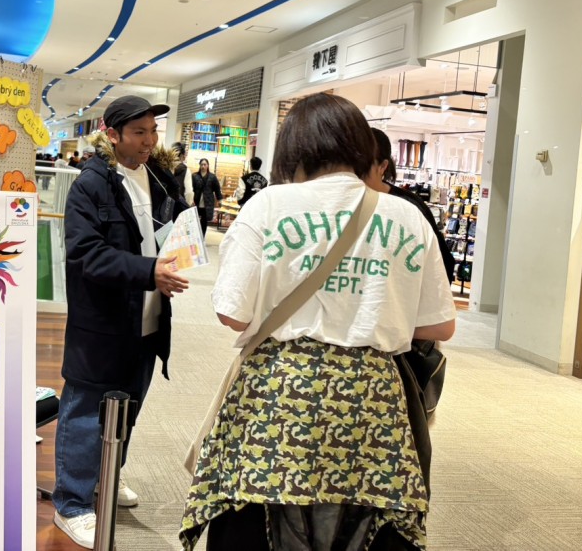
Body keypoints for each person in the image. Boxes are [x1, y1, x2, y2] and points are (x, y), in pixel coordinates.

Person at [180, 93, 455, 551]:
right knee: (368, 515)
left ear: (294, 149)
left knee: (260, 507)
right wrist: (370, 311)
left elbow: (233, 312)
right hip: (372, 398)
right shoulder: (405, 214)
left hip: (280, 390)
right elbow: (439, 326)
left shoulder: (269, 205)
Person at [54, 95, 190, 548]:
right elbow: (85, 254)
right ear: (112, 135)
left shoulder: (161, 178)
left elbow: (172, 231)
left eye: (153, 132)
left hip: (147, 320)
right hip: (102, 324)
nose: (149, 141)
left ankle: (105, 479)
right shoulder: (92, 184)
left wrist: (183, 247)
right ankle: (71, 503)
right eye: (139, 133)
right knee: (85, 412)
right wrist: (149, 271)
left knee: (127, 408)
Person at [367, 128, 455, 283]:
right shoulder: (343, 203)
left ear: (382, 166)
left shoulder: (409, 206)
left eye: (363, 165)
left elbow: (442, 262)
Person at [191, 158, 223, 237]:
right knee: (194, 221)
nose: (203, 166)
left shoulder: (212, 177)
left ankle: (202, 237)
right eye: (201, 164)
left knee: (204, 222)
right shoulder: (194, 176)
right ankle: (195, 237)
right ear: (199, 165)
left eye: (205, 164)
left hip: (207, 203)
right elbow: (191, 189)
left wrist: (220, 200)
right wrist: (190, 199)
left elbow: (217, 189)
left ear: (207, 165)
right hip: (196, 202)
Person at [171, 142, 194, 206]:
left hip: (165, 206)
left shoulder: (165, 166)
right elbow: (189, 192)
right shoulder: (185, 170)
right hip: (178, 205)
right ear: (181, 155)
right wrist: (188, 205)